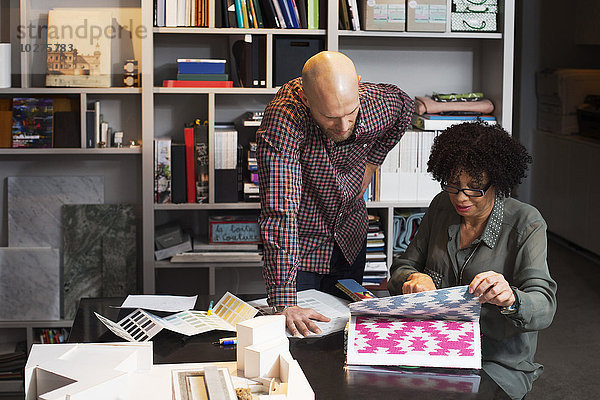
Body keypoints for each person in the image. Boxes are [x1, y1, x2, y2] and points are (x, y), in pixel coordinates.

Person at [387, 122, 557, 400]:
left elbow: (545, 306)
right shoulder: (442, 205)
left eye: (475, 188)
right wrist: (412, 279)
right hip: (434, 345)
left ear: (498, 182)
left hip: (496, 361)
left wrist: (511, 298)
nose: (460, 197)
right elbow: (401, 268)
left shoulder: (526, 223)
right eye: (453, 184)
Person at [256, 51, 414, 336]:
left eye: (350, 113)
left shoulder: (377, 102)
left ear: (358, 85)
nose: (343, 126)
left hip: (349, 241)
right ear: (306, 99)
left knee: (346, 335)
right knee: (300, 338)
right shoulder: (284, 118)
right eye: (330, 117)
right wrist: (284, 302)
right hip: (301, 249)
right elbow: (281, 212)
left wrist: (371, 164)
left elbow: (406, 108)